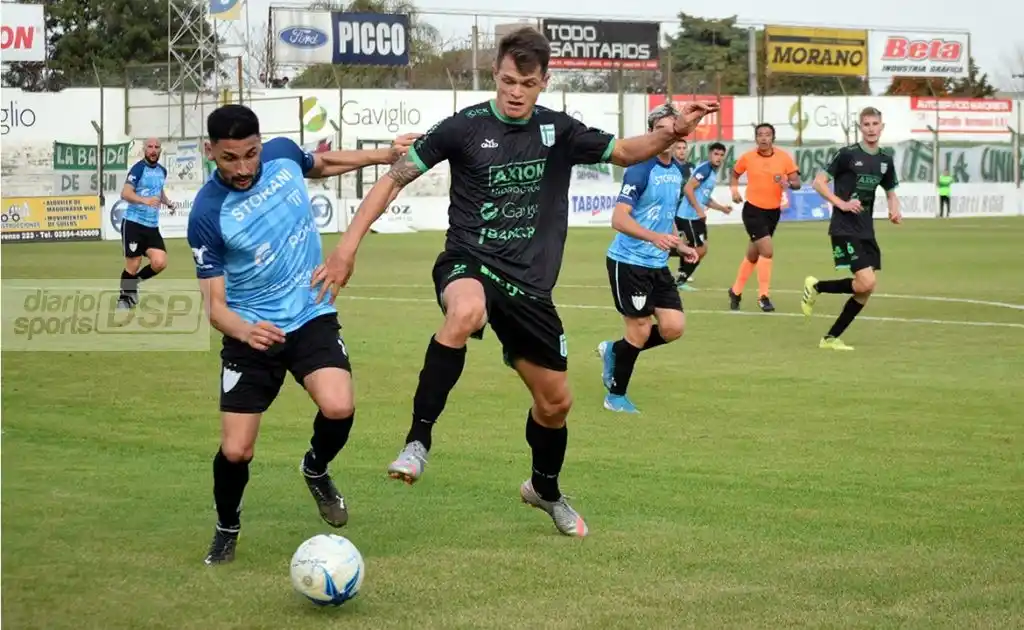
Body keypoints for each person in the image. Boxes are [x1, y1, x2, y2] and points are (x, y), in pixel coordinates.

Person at [310, 27, 718, 538]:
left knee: (556, 403)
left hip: (530, 287)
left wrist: (675, 129)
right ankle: (417, 441)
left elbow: (626, 150)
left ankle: (544, 489)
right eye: (506, 81)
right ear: (495, 75)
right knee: (465, 311)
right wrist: (346, 248)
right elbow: (394, 178)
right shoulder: (462, 127)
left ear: (544, 81)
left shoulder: (558, 130)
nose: (515, 92)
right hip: (469, 261)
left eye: (526, 83)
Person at [186, 104, 417, 565]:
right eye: (230, 158)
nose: (243, 168)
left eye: (251, 154)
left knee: (339, 406)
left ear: (261, 144)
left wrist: (384, 155)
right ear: (210, 151)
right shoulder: (207, 213)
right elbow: (215, 308)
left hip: (310, 312)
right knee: (236, 450)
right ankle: (227, 527)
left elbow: (324, 163)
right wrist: (245, 331)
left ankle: (315, 467)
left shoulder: (283, 155)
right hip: (253, 332)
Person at [597, 105, 700, 413]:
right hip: (628, 262)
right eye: (662, 129)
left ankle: (615, 350)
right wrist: (654, 237)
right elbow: (619, 219)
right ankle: (615, 397)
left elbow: (664, 216)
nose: (669, 134)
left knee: (673, 327)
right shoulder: (640, 169)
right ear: (652, 133)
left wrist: (679, 245)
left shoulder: (677, 171)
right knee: (639, 330)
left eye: (673, 128)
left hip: (657, 264)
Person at [801, 106, 901, 350]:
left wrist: (894, 209)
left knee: (865, 290)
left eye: (875, 124)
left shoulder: (885, 160)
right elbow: (819, 182)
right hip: (844, 227)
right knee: (866, 282)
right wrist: (841, 204)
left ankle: (830, 338)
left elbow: (890, 191)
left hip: (866, 228)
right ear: (860, 127)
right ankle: (816, 286)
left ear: (882, 127)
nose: (871, 129)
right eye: (866, 124)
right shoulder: (847, 154)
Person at [727, 124, 800, 312]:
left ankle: (735, 291)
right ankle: (763, 296)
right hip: (753, 211)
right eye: (760, 135)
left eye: (767, 135)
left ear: (773, 138)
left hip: (773, 212)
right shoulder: (748, 157)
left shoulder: (784, 157)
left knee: (753, 255)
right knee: (767, 251)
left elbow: (797, 183)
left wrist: (789, 183)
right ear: (756, 138)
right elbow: (734, 174)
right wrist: (734, 191)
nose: (763, 138)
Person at [117, 137, 174, 309]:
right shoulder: (138, 168)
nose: (153, 150)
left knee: (160, 262)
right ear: (144, 149)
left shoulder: (162, 171)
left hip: (152, 226)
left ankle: (133, 283)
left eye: (157, 147)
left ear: (160, 150)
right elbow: (125, 193)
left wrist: (167, 202)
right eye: (150, 146)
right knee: (133, 264)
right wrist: (145, 200)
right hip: (133, 224)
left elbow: (158, 190)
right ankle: (124, 299)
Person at [674, 142, 731, 290]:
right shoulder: (705, 169)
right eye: (716, 154)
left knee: (702, 248)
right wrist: (699, 210)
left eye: (721, 155)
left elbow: (704, 198)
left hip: (695, 217)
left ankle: (681, 276)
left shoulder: (712, 172)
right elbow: (688, 189)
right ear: (710, 154)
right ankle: (680, 279)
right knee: (698, 249)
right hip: (688, 216)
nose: (718, 157)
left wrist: (722, 208)